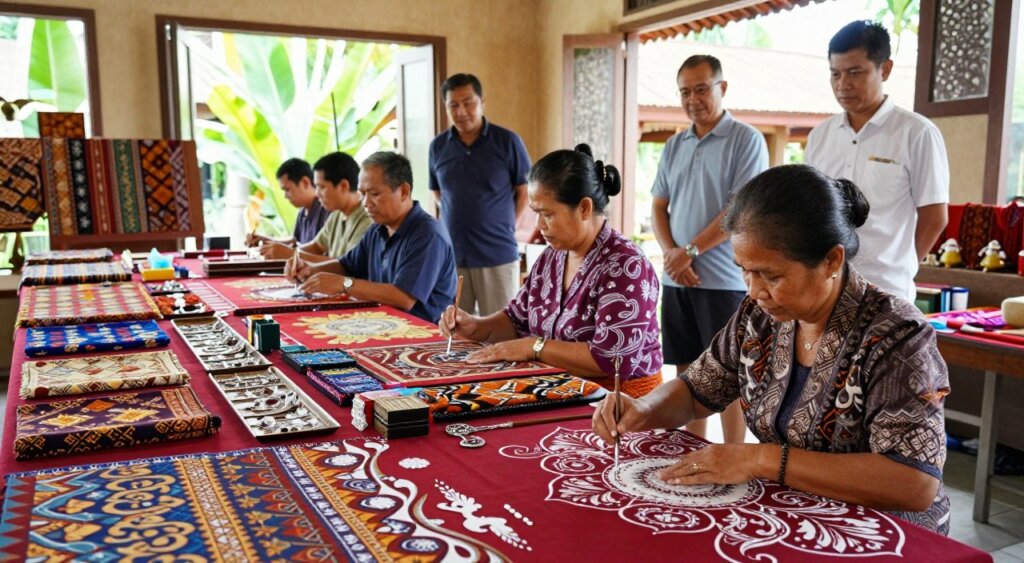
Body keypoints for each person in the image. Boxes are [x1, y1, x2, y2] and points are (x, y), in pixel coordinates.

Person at [594, 164, 950, 534]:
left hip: (884, 531)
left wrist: (762, 459)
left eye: (772, 275)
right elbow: (697, 390)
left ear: (832, 260)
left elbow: (914, 483)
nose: (754, 291)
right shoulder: (760, 316)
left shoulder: (897, 336)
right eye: (745, 272)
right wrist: (643, 409)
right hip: (796, 512)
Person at [440, 145, 663, 397]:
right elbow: (516, 320)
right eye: (536, 213)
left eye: (547, 214)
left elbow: (612, 360)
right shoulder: (552, 257)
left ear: (584, 208)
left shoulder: (626, 265)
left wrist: (533, 347)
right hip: (560, 394)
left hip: (622, 406)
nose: (539, 225)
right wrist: (475, 327)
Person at [651, 54, 768, 443]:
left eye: (701, 88)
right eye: (685, 91)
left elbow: (739, 209)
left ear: (722, 88)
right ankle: (692, 448)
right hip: (679, 279)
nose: (693, 98)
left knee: (729, 373)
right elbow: (658, 205)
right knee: (688, 370)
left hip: (723, 280)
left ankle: (734, 453)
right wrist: (672, 255)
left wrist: (689, 251)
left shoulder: (746, 140)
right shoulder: (673, 145)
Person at [805, 20, 949, 301]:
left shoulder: (916, 132)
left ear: (885, 69)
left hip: (887, 291)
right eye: (835, 74)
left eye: (855, 73)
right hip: (825, 290)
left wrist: (904, 266)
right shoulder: (820, 136)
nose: (842, 84)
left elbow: (935, 216)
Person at [285, 151, 457, 323]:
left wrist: (344, 285)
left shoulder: (428, 234)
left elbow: (403, 298)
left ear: (404, 191)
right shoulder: (377, 229)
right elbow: (346, 266)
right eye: (363, 194)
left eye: (374, 194)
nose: (366, 203)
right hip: (382, 325)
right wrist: (310, 269)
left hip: (423, 336)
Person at [429, 73, 531, 316]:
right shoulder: (438, 146)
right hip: (453, 255)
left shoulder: (507, 141)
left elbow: (524, 192)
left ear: (482, 101)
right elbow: (436, 190)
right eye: (453, 105)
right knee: (456, 328)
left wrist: (506, 224)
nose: (461, 111)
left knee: (500, 327)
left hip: (497, 253)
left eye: (468, 102)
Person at [246, 158, 329, 255]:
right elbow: (295, 241)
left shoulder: (326, 210)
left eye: (287, 189)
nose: (285, 196)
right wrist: (266, 240)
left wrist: (292, 253)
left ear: (305, 182)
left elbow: (318, 251)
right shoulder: (303, 211)